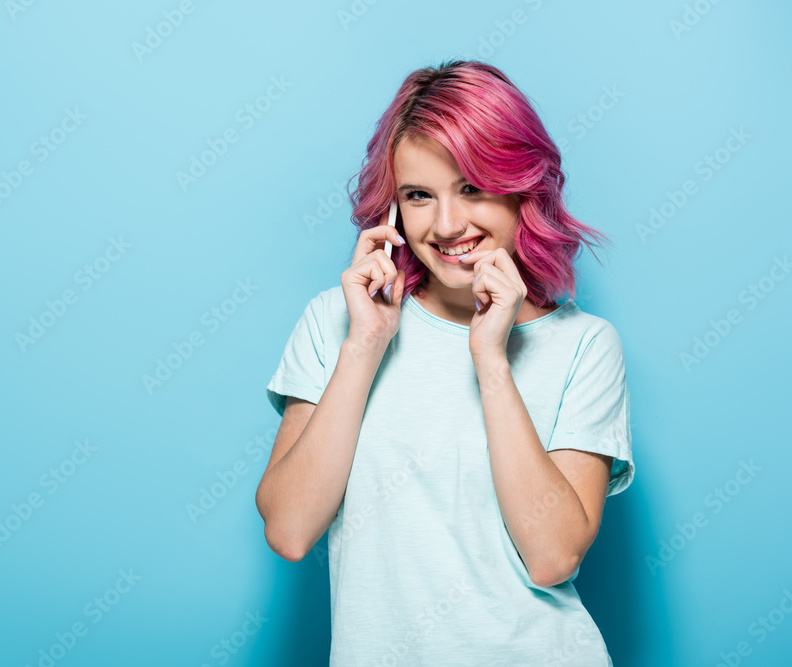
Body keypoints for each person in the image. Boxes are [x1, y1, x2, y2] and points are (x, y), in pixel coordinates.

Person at [255, 59, 635, 666]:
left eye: (473, 188)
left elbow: (553, 555)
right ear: (393, 211)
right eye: (419, 196)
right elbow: (290, 532)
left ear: (522, 188)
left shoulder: (584, 346)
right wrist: (365, 345)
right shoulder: (337, 323)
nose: (449, 223)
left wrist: (491, 359)